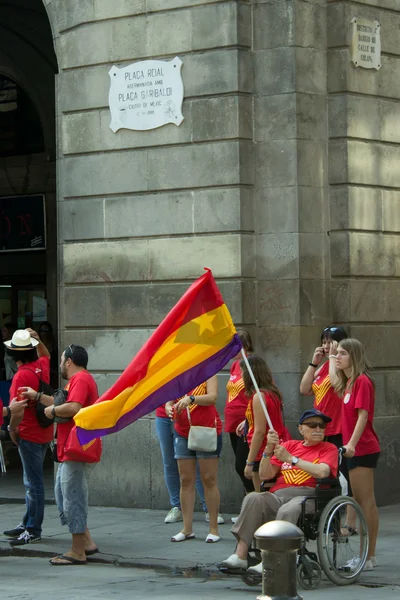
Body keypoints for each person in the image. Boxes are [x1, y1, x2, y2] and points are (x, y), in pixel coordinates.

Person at [220, 408, 338, 574]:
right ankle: (240, 555)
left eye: (321, 426)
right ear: (300, 429)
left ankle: (272, 558)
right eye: (312, 425)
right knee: (253, 498)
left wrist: (292, 459)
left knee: (288, 509)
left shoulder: (328, 448)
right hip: (279, 494)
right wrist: (268, 449)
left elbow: (322, 472)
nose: (318, 429)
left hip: (308, 496)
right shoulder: (290, 445)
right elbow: (264, 474)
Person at [20, 344, 99, 565]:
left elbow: (73, 407)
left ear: (69, 362)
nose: (60, 364)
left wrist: (53, 411)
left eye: (62, 359)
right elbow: (61, 402)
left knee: (72, 497)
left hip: (74, 448)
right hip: (68, 448)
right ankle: (87, 542)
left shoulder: (81, 379)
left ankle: (77, 551)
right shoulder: (76, 381)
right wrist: (37, 396)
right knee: (62, 494)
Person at [334, 338, 380, 572]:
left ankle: (368, 555)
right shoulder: (349, 381)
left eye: (342, 353)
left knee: (366, 502)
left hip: (363, 448)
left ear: (354, 356)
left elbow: (363, 416)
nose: (338, 357)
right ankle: (366, 555)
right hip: (352, 449)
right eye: (337, 353)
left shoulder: (362, 381)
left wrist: (351, 443)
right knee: (358, 501)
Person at [2, 328, 52, 545]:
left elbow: (17, 410)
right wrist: (38, 340)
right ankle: (27, 521)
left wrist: (12, 430)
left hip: (28, 433)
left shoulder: (20, 375)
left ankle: (32, 528)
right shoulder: (40, 367)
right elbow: (46, 355)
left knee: (33, 483)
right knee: (33, 481)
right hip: (44, 432)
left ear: (13, 355)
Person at [165, 376, 222, 543]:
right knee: (185, 479)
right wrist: (169, 408)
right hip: (182, 431)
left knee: (208, 479)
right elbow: (169, 401)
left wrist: (191, 398)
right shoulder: (178, 375)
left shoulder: (208, 372)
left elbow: (212, 397)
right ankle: (187, 528)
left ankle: (214, 529)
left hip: (206, 430)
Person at [300, 326, 352, 498]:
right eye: (324, 342)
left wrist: (332, 357)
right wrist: (314, 362)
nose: (327, 345)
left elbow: (337, 384)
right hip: (320, 427)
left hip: (338, 427)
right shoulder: (323, 367)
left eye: (330, 342)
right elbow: (305, 389)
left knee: (343, 471)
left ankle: (347, 511)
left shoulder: (342, 366)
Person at [155, 401, 220, 524]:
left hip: (190, 415)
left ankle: (209, 509)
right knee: (169, 462)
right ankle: (176, 507)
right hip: (164, 416)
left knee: (197, 465)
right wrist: (167, 407)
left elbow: (211, 396)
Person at [241, 355, 289, 492]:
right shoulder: (273, 392)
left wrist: (249, 462)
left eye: (242, 373)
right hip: (277, 447)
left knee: (262, 497)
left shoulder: (259, 396)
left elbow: (260, 431)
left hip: (263, 452)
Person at [224, 329, 255, 494]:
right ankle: (249, 503)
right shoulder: (235, 365)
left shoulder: (252, 365)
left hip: (246, 422)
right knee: (239, 463)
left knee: (242, 465)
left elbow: (259, 393)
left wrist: (249, 419)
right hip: (232, 423)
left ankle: (254, 500)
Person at [38, 321, 58, 389]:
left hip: (53, 378)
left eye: (46, 330)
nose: (43, 332)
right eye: (41, 330)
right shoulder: (37, 346)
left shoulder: (55, 347)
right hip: (40, 376)